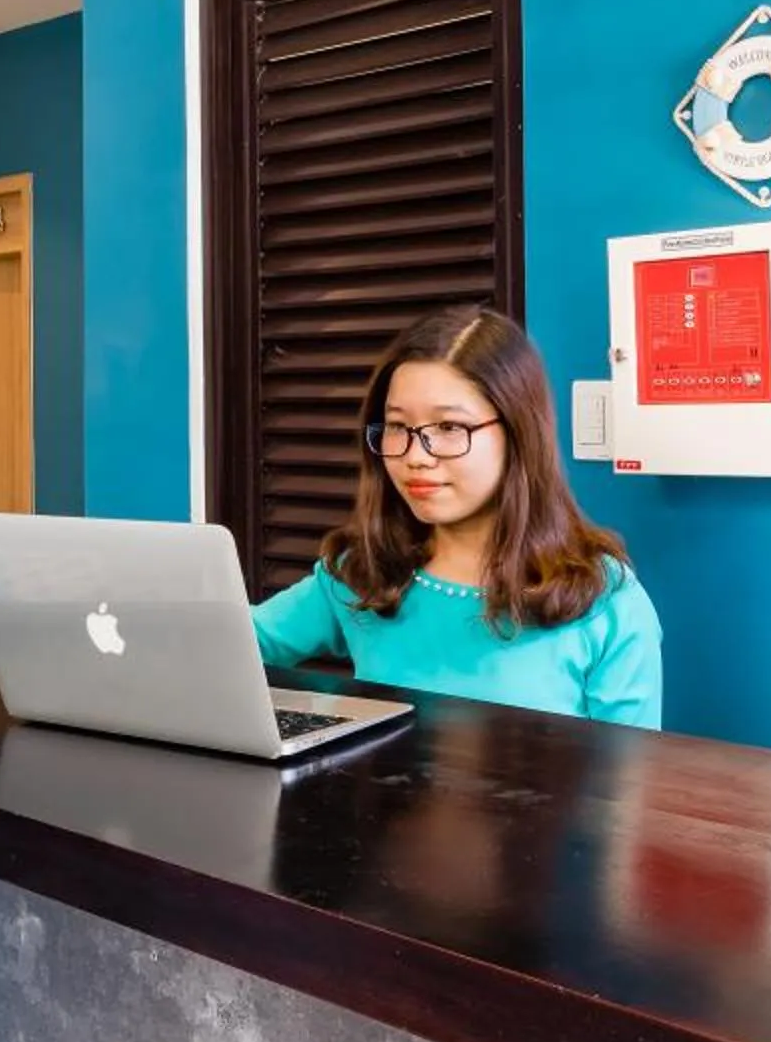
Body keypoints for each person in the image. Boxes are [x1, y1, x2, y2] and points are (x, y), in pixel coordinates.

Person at [251, 307, 662, 727]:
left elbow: (626, 781)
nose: (415, 457)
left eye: (449, 427)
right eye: (397, 427)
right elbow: (231, 643)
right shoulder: (360, 574)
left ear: (519, 433)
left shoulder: (605, 600)